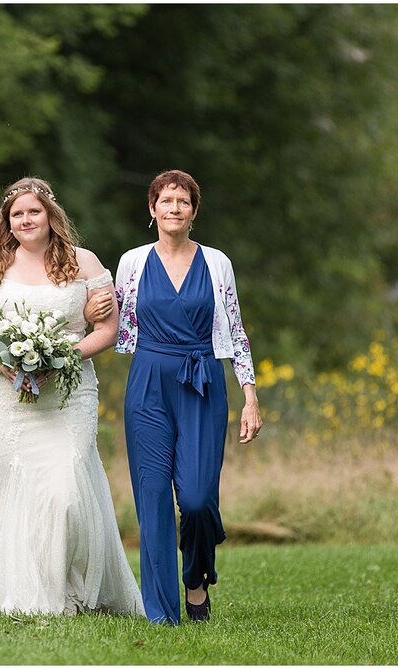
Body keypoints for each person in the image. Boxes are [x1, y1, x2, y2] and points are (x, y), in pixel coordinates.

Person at [0, 177, 144, 617]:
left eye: (33, 212)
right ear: (7, 221)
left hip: (69, 394)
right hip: (10, 397)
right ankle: (38, 595)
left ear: (49, 215)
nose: (26, 220)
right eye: (17, 214)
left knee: (67, 492)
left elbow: (108, 329)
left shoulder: (84, 262)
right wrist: (6, 363)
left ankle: (82, 587)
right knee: (22, 491)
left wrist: (60, 357)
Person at [114, 169, 262, 625]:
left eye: (183, 201)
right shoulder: (132, 262)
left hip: (203, 382)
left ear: (194, 211)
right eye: (166, 200)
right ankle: (162, 613)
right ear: (152, 209)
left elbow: (235, 330)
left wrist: (250, 397)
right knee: (154, 496)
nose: (174, 208)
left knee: (197, 499)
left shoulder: (217, 262)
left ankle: (195, 579)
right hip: (148, 385)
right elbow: (112, 322)